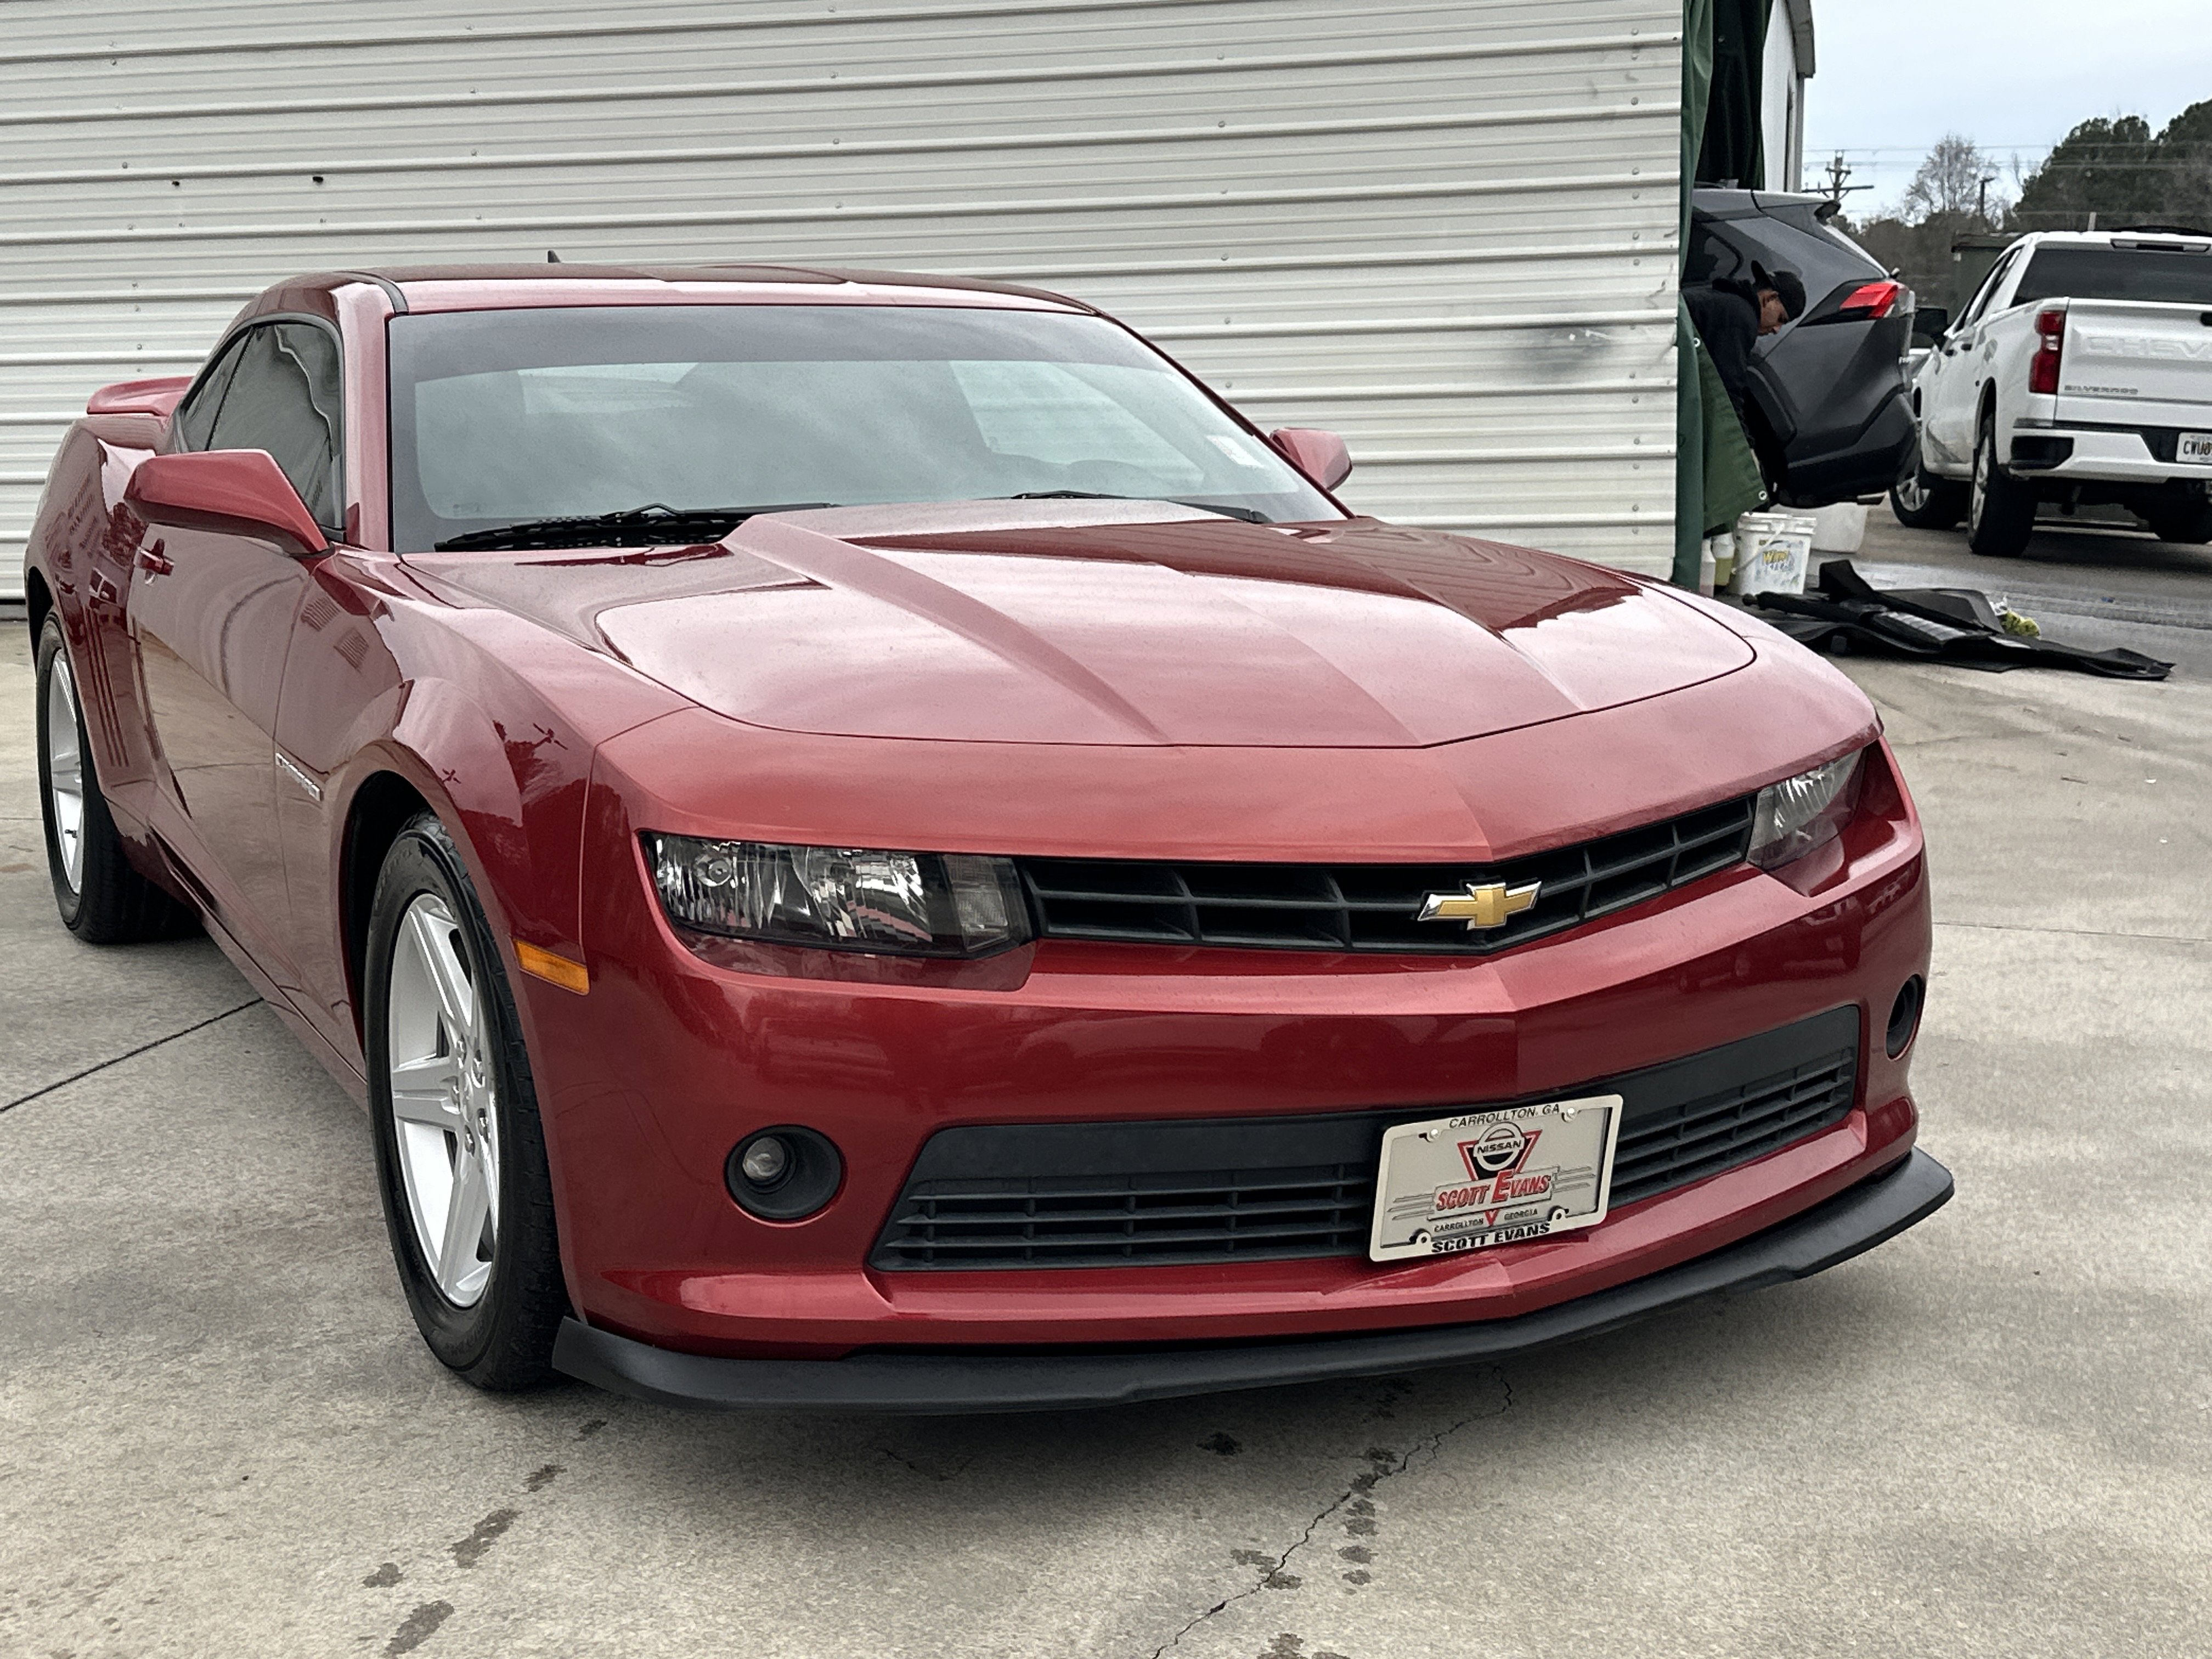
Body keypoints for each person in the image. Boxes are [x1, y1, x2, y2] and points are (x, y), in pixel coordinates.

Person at [1684, 260, 1807, 420]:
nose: (1777, 330)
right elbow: (1726, 392)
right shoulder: (1741, 318)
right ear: (1770, 298)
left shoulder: (1726, 302)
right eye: (1781, 319)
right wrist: (1741, 442)